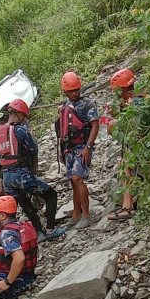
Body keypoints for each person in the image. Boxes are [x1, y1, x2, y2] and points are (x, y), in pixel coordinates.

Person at [0, 99, 66, 242]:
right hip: (21, 175)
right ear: (20, 115)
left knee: (24, 203)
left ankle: (38, 232)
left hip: (7, 178)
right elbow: (33, 149)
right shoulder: (19, 129)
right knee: (51, 195)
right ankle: (50, 230)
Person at [57, 72, 100, 229]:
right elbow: (62, 131)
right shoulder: (63, 107)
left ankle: (86, 214)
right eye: (71, 91)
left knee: (77, 178)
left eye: (76, 89)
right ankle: (76, 214)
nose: (74, 93)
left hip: (83, 146)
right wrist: (62, 152)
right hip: (69, 149)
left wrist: (88, 147)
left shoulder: (88, 103)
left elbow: (95, 124)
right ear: (65, 91)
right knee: (72, 182)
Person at [106, 68, 142, 221]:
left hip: (142, 146)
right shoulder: (137, 99)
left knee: (126, 167)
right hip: (140, 144)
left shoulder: (135, 102)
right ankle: (128, 205)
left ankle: (128, 207)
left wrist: (114, 122)